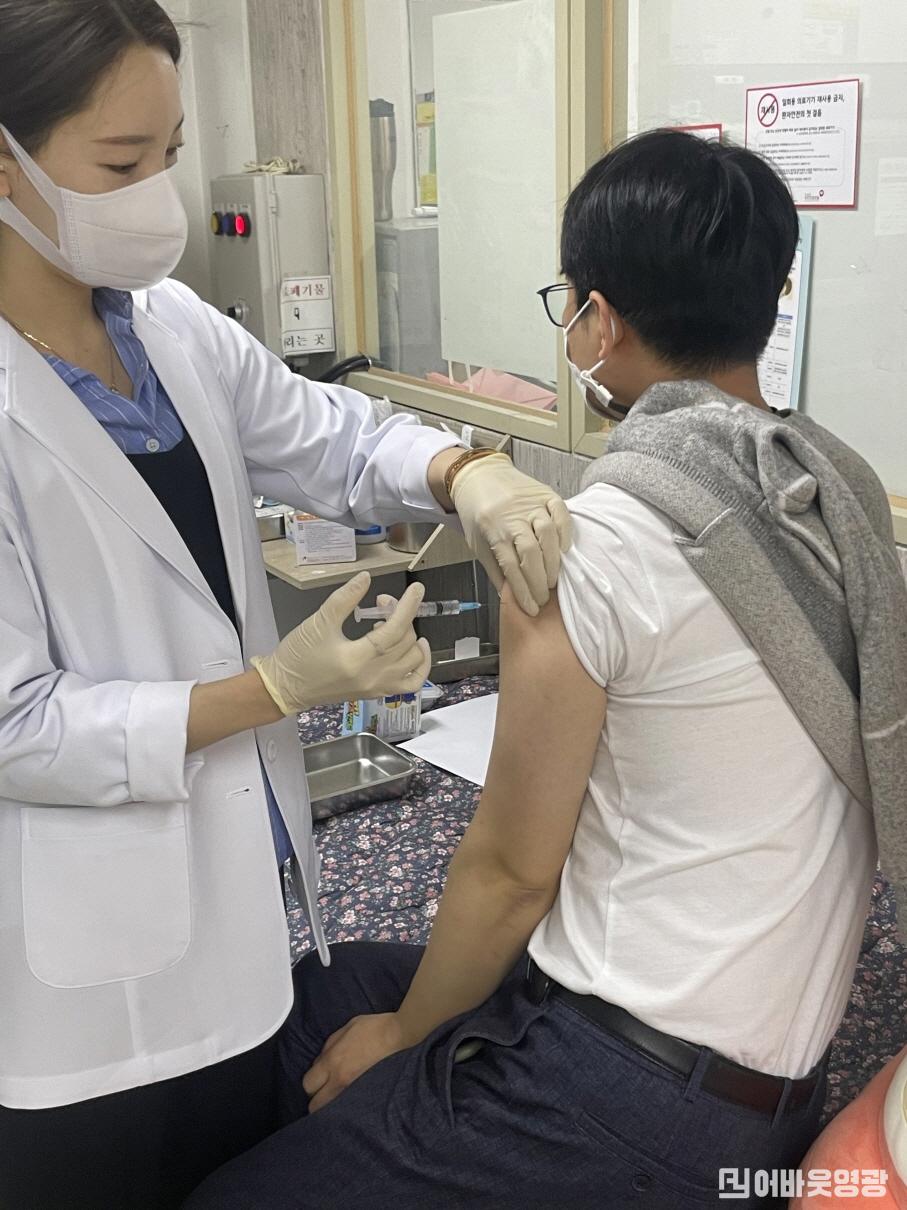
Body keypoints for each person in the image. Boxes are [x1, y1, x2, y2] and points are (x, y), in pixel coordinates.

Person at [185, 131, 907, 1209]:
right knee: (323, 993)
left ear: (597, 321)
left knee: (253, 1165)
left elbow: (510, 873)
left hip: (632, 1098)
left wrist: (402, 1040)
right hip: (766, 1083)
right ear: (772, 297)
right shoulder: (826, 500)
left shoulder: (595, 541)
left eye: (567, 305)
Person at [0, 2, 573, 1206]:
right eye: (121, 162)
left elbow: (332, 435)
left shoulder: (169, 328)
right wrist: (275, 687)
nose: (157, 195)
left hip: (248, 902)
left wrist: (466, 469)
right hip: (83, 973)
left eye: (170, 153)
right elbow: (18, 724)